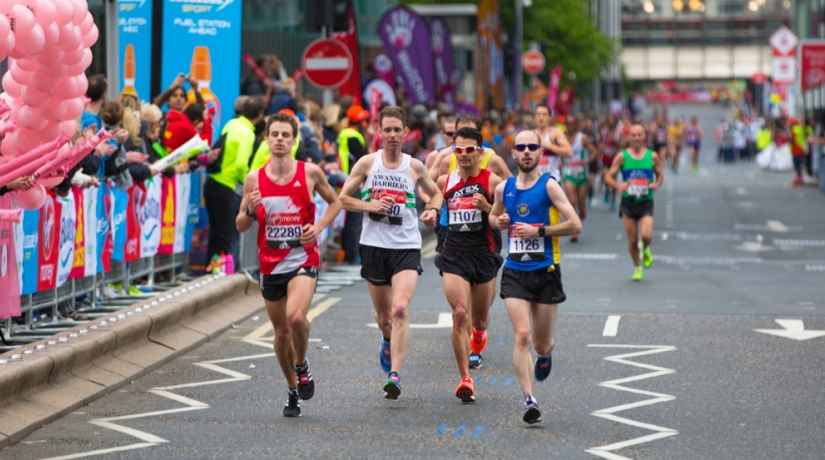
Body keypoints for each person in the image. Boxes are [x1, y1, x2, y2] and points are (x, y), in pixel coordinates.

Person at [236, 113, 341, 417]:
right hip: (270, 263)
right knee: (281, 334)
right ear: (266, 139)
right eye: (275, 134)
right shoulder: (255, 178)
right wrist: (251, 211)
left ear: (295, 141)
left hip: (302, 257)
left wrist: (318, 228)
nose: (279, 139)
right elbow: (241, 224)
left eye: (285, 135)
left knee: (296, 318)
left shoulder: (310, 173)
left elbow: (335, 202)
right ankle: (292, 388)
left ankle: (302, 364)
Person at [338, 106, 442, 400]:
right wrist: (370, 206)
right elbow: (343, 199)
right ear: (379, 133)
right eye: (388, 130)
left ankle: (394, 375)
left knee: (400, 310)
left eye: (399, 130)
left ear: (406, 133)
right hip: (373, 246)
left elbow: (436, 193)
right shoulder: (367, 164)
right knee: (384, 316)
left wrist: (433, 210)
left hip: (406, 246)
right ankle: (386, 339)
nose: (393, 135)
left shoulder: (414, 166)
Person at [488, 130, 581, 424]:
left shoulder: (550, 186)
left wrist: (539, 231)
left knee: (541, 344)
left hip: (546, 270)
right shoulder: (504, 188)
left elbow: (574, 224)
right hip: (515, 270)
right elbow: (492, 217)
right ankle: (530, 399)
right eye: (521, 147)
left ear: (541, 153)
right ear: (512, 154)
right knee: (522, 335)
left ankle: (545, 354)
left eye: (532, 147)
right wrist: (498, 220)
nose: (526, 151)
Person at [430, 114, 512, 367]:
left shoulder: (493, 175)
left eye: (469, 150)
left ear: (479, 151)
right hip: (454, 249)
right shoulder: (446, 174)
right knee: (460, 313)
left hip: (485, 247)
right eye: (459, 150)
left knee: (480, 319)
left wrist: (489, 207)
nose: (463, 154)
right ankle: (465, 377)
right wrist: (431, 210)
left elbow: (510, 206)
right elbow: (431, 189)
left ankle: (478, 334)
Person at [205, 96, 264, 264]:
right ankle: (220, 274)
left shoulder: (232, 124)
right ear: (260, 115)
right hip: (225, 185)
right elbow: (240, 165)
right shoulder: (247, 133)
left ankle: (211, 272)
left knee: (215, 233)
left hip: (212, 182)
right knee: (224, 234)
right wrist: (249, 182)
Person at [603, 125, 664, 281]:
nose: (636, 138)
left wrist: (656, 183)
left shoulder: (652, 156)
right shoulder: (622, 156)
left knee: (646, 236)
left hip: (646, 202)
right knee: (632, 239)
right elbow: (608, 176)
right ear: (629, 138)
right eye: (634, 135)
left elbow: (660, 175)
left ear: (645, 137)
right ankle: (638, 267)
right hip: (628, 202)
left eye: (639, 135)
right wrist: (618, 185)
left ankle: (646, 249)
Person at [338, 105, 369, 264]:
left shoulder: (344, 133)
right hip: (353, 181)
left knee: (350, 218)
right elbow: (362, 160)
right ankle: (352, 253)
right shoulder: (354, 136)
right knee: (355, 218)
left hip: (346, 179)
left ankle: (349, 252)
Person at [563, 116, 599, 242]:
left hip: (582, 175)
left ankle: (582, 210)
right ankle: (574, 231)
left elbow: (595, 151)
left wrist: (587, 160)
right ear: (566, 124)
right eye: (569, 123)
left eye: (573, 123)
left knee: (580, 203)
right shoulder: (563, 138)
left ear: (576, 124)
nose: (571, 125)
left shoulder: (582, 138)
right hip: (569, 174)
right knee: (571, 201)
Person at [533, 104, 573, 181]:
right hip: (535, 182)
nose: (541, 117)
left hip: (553, 180)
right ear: (535, 117)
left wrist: (548, 145)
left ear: (550, 117)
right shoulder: (530, 134)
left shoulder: (555, 132)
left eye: (544, 114)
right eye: (538, 114)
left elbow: (569, 152)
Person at [600, 114, 621, 211]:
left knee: (613, 179)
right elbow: (601, 143)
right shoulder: (604, 132)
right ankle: (607, 190)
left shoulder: (618, 132)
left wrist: (615, 141)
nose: (611, 122)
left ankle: (613, 200)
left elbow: (621, 144)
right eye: (609, 120)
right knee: (605, 177)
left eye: (612, 120)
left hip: (614, 158)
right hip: (605, 157)